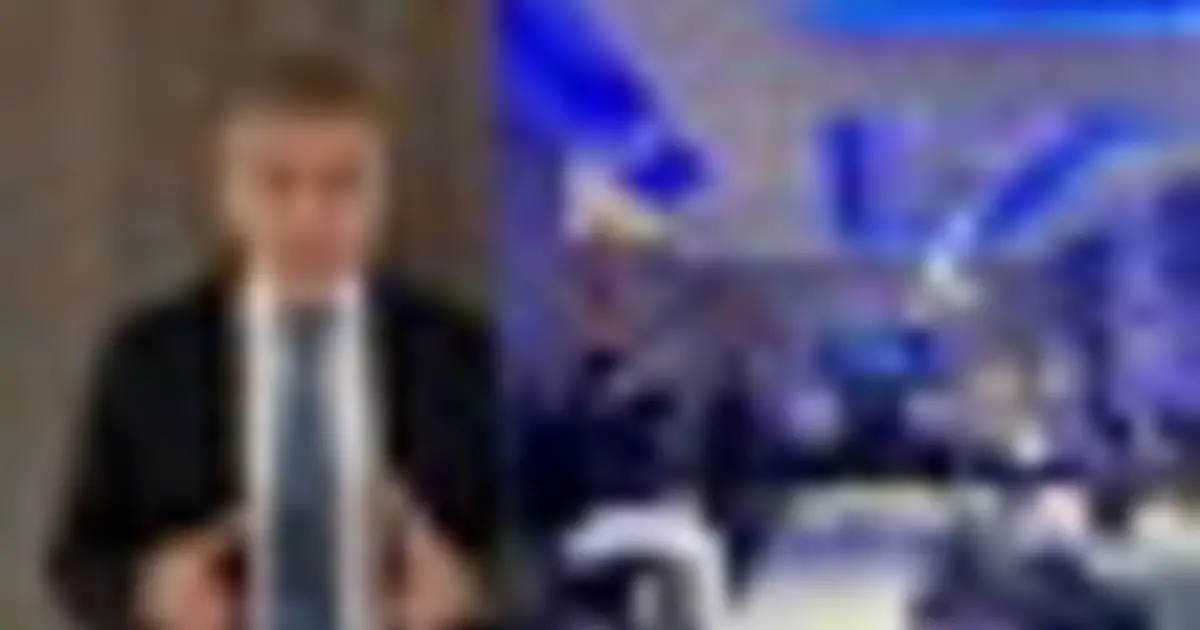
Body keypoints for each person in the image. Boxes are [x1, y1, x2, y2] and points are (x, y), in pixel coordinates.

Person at [45, 48, 498, 630]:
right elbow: (79, 560)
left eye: (342, 185)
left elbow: (542, 546)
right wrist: (149, 590)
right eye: (276, 184)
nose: (309, 217)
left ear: (383, 197)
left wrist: (471, 587)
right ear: (228, 195)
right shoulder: (151, 359)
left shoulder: (461, 356)